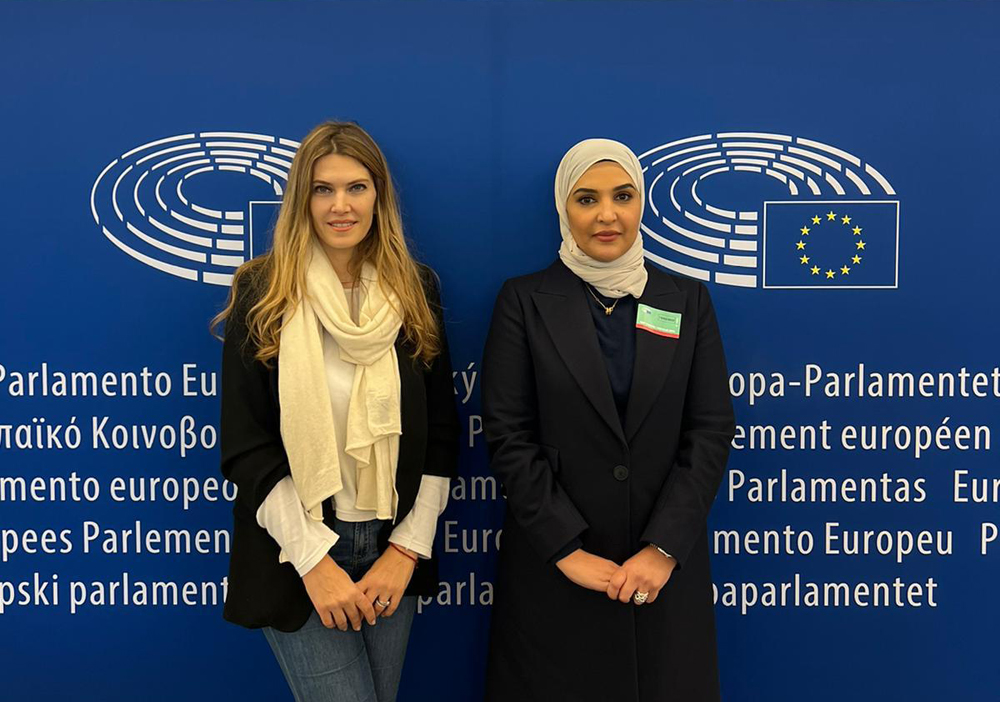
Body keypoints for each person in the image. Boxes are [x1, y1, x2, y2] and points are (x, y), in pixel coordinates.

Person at [481, 138, 735, 702]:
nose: (606, 214)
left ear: (641, 202)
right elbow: (507, 433)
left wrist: (663, 549)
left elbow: (710, 430)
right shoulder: (524, 301)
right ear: (562, 209)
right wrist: (567, 551)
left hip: (661, 577)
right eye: (586, 198)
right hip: (557, 574)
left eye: (622, 196)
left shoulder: (686, 301)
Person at [216, 121, 459, 702]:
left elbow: (442, 434)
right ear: (303, 199)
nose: (340, 206)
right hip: (295, 550)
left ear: (379, 196)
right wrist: (313, 561)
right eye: (323, 190)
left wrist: (405, 551)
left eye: (357, 187)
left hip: (390, 543)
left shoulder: (414, 289)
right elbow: (246, 447)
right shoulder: (264, 291)